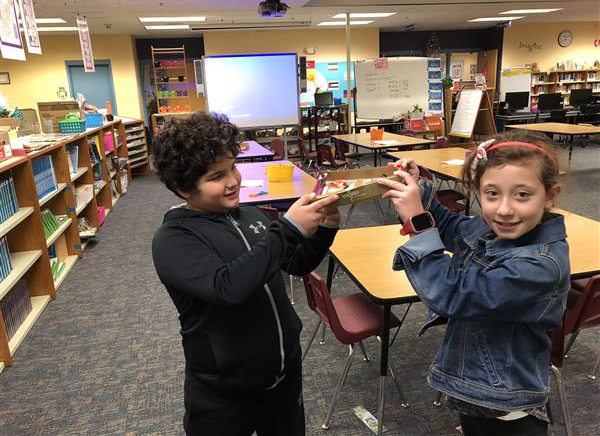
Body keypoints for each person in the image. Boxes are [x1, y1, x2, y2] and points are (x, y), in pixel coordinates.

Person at [151, 112, 340, 435]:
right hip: (223, 394)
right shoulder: (173, 240)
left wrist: (325, 228)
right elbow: (228, 286)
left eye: (233, 167)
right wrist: (288, 230)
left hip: (283, 376)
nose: (233, 181)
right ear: (184, 188)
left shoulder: (250, 215)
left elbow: (295, 264)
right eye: (216, 176)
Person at [376, 131, 570, 436]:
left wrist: (416, 223)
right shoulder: (495, 229)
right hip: (479, 395)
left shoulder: (540, 266)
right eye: (492, 194)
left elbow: (452, 294)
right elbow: (453, 227)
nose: (504, 209)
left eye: (522, 195)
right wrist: (420, 190)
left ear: (550, 195)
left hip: (509, 409)